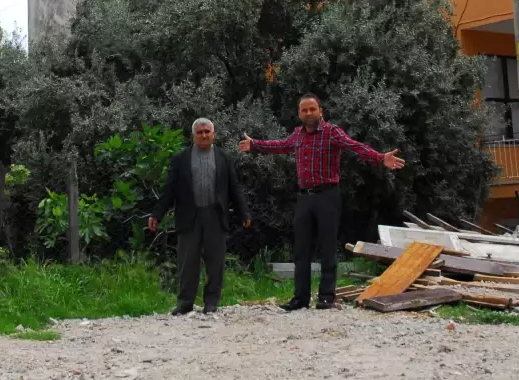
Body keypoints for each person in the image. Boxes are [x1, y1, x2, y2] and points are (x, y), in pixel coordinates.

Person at [239, 93, 404, 311]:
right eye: (304, 110)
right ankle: (300, 298)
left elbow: (353, 146)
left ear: (320, 111)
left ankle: (326, 297)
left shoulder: (331, 132)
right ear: (299, 114)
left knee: (327, 248)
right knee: (301, 250)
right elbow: (279, 145)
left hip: (327, 196)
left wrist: (380, 157)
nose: (308, 113)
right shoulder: (297, 135)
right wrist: (255, 145)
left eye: (312, 109)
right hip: (304, 198)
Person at [150, 117, 251, 315]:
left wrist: (244, 212)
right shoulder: (181, 158)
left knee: (216, 262)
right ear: (194, 135)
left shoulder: (224, 157)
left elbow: (234, 187)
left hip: (215, 215)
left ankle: (211, 302)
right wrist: (157, 213)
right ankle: (185, 302)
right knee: (188, 261)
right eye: (200, 132)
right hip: (189, 215)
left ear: (214, 134)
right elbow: (169, 189)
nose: (204, 135)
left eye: (207, 132)